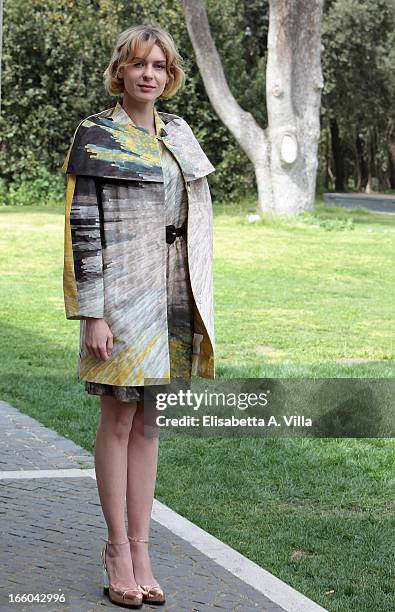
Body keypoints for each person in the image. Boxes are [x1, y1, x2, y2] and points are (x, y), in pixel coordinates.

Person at [62, 24, 216, 609]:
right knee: (119, 420)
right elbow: (84, 227)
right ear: (120, 72)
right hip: (120, 298)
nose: (148, 74)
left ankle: (144, 549)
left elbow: (192, 211)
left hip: (171, 295)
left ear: (169, 75)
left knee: (152, 424)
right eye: (138, 65)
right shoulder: (97, 134)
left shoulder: (178, 132)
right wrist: (93, 313)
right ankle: (116, 550)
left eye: (158, 65)